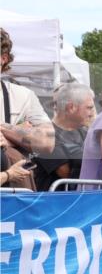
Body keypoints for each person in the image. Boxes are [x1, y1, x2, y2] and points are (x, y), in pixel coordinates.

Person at [1, 28, 55, 185]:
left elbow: (46, 142)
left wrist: (6, 130)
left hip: (14, 197)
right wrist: (20, 132)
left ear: (3, 58)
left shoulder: (23, 96)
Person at [33, 83, 95, 191]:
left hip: (81, 200)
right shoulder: (45, 135)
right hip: (55, 203)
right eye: (89, 108)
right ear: (71, 107)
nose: (92, 113)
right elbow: (66, 173)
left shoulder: (86, 133)